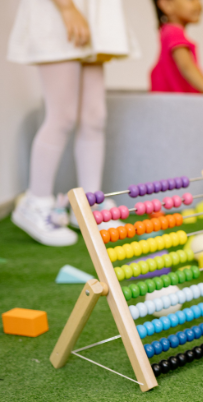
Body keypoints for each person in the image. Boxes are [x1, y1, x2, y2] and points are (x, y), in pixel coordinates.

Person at [8, 0, 136, 246]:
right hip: (60, 11)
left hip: (91, 13)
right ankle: (35, 202)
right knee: (62, 116)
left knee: (94, 117)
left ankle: (89, 205)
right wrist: (67, 7)